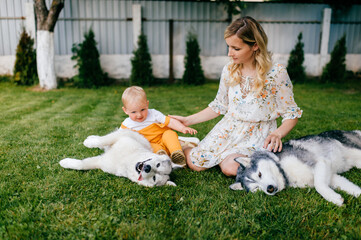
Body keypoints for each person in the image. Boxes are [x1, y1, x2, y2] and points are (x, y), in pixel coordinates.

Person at [170, 16, 303, 176]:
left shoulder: (277, 73)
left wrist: (277, 134)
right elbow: (219, 105)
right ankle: (185, 146)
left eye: (236, 48)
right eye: (229, 47)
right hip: (229, 129)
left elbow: (291, 114)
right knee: (196, 164)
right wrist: (187, 120)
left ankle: (223, 159)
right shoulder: (229, 70)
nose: (229, 53)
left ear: (255, 46)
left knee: (231, 168)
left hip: (258, 134)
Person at [121, 86, 198, 166]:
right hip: (151, 144)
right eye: (134, 112)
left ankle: (177, 153)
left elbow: (170, 122)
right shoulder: (127, 125)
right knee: (149, 146)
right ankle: (161, 157)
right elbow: (118, 137)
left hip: (163, 139)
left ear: (147, 104)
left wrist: (182, 128)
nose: (139, 115)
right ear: (125, 110)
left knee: (169, 134)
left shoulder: (154, 114)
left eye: (143, 110)